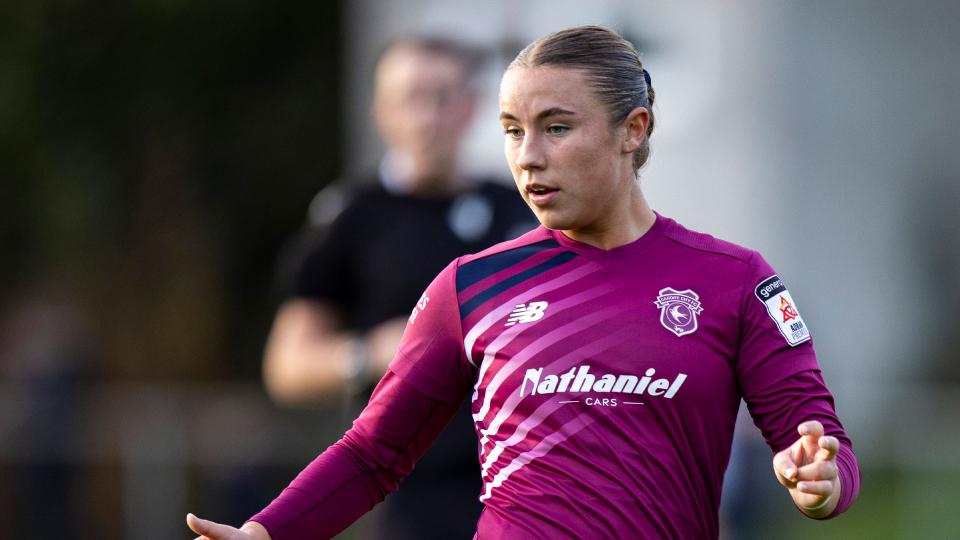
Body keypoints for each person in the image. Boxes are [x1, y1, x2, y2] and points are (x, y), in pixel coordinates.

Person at [188, 25, 860, 539]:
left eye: (556, 128)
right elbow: (375, 452)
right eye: (513, 131)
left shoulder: (733, 280)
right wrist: (268, 529)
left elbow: (817, 440)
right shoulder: (471, 286)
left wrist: (819, 480)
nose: (528, 157)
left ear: (634, 130)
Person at [260, 36, 536, 539]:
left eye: (445, 96)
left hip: (518, 481)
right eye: (412, 97)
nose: (430, 117)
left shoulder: (519, 210)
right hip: (408, 487)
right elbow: (286, 367)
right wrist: (369, 353)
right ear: (381, 111)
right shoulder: (350, 216)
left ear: (473, 107)